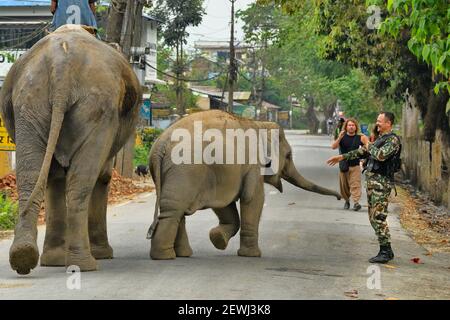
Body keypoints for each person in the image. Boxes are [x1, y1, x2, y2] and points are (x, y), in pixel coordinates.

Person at [327, 112, 401, 263]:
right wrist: (341, 157)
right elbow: (362, 151)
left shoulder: (392, 140)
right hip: (373, 183)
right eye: (377, 121)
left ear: (388, 123)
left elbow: (380, 155)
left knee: (379, 217)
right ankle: (386, 249)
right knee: (373, 217)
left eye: (380, 121)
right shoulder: (381, 139)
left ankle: (386, 251)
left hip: (382, 183)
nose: (377, 123)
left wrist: (368, 144)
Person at [331, 118, 368, 211]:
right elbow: (333, 147)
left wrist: (365, 147)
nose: (351, 127)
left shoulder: (360, 137)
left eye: (353, 125)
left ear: (356, 127)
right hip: (344, 166)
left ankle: (356, 203)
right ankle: (347, 201)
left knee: (355, 184)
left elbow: (368, 146)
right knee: (344, 186)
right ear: (346, 127)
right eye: (349, 125)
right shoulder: (342, 136)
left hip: (355, 165)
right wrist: (339, 137)